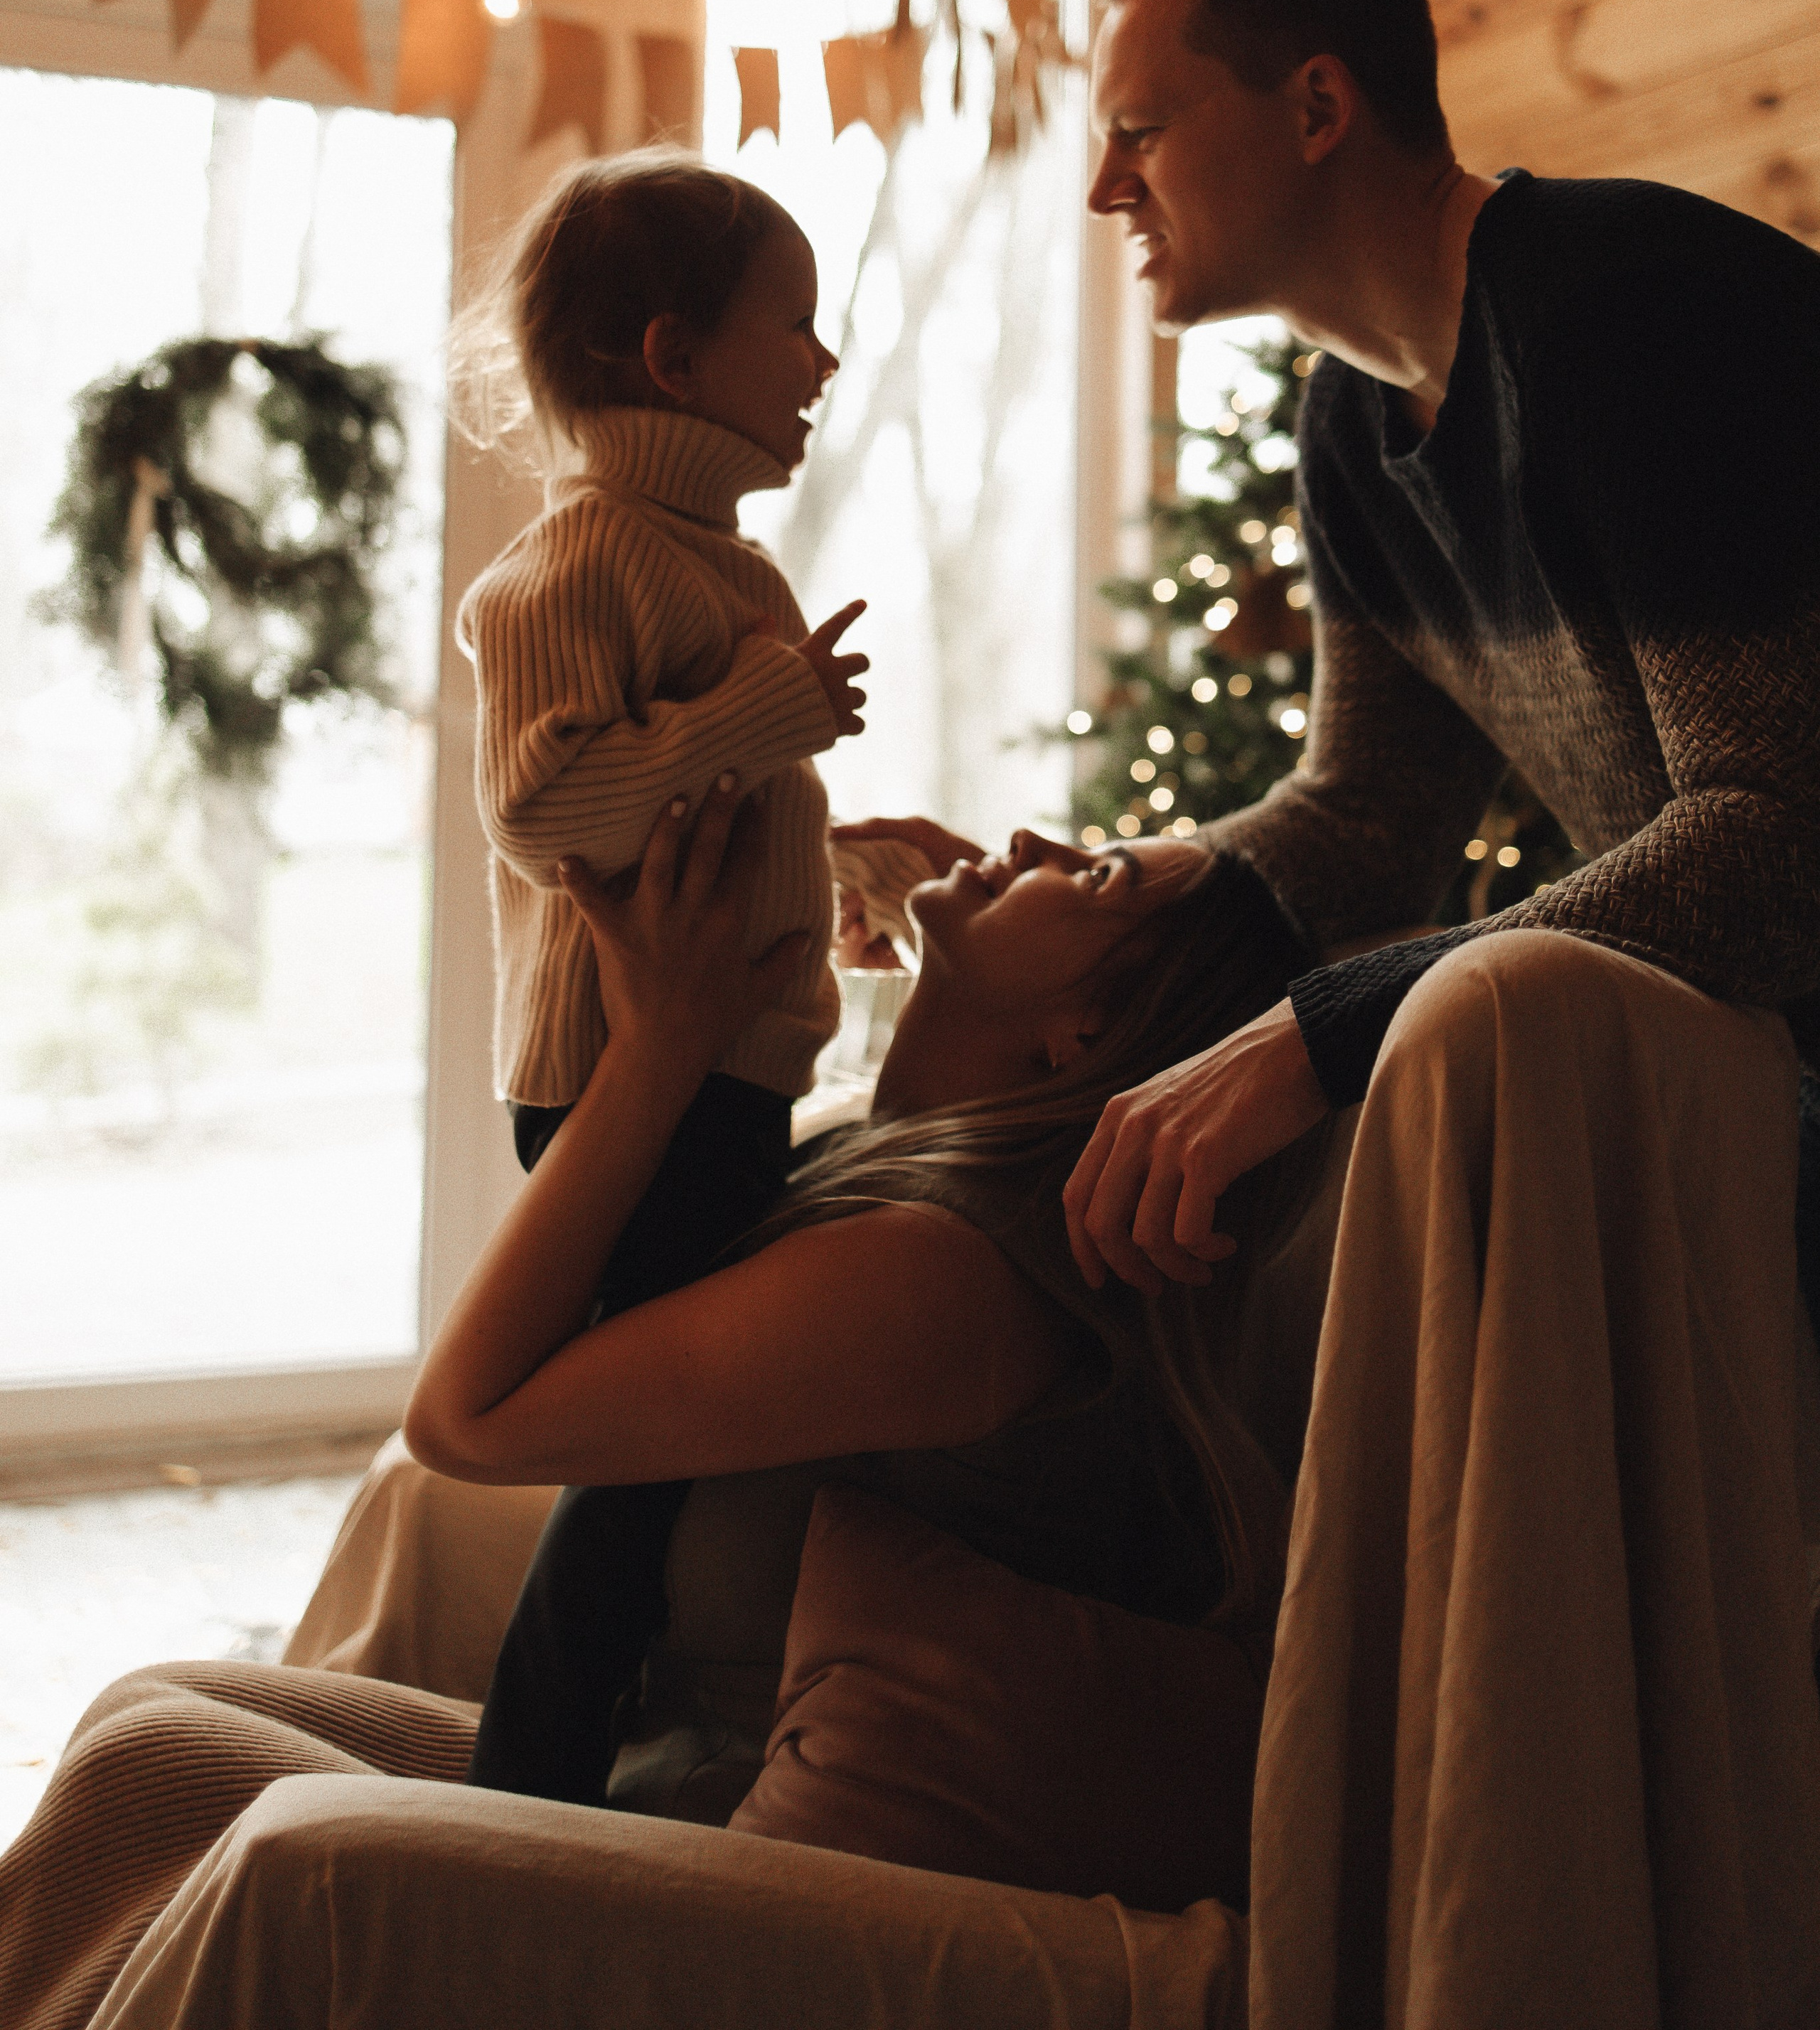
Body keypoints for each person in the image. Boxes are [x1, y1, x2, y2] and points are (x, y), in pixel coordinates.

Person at [1042, 0, 1820, 2019]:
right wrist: (1107, 890)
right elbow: (1364, 819)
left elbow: (1771, 837)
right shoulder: (1346, 429)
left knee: (1463, 1031)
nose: (1101, 185)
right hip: (1729, 1063)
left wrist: (1314, 1034)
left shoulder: (1636, 313)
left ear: (1314, 104)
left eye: (1138, 129)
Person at [0, 790, 1310, 2030]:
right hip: (664, 1760)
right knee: (150, 1742)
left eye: (1094, 875)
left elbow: (471, 1417)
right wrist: (827, 933)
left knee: (285, 1857)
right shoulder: (911, 1163)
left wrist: (667, 1040)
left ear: (1088, 1033)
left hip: (766, 1861)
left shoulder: (939, 1272)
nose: (1027, 835)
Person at [450, 149, 869, 1799]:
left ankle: (599, 1744)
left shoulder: (718, 567)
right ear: (673, 362)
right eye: (796, 325)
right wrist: (758, 722)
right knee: (635, 1467)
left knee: (660, 1463)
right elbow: (547, 808)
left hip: (714, 1075)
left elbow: (701, 817)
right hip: (636, 1086)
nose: (824, 363)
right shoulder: (572, 564)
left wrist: (843, 862)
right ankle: (533, 1783)